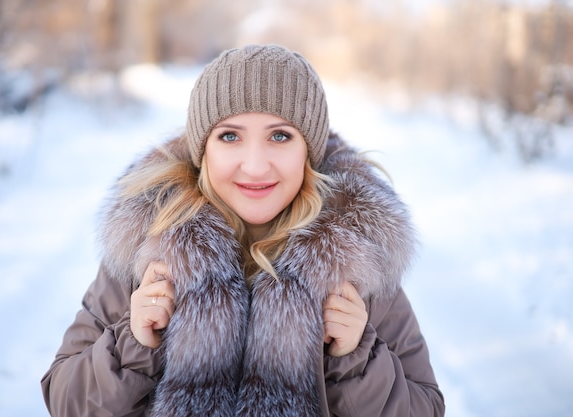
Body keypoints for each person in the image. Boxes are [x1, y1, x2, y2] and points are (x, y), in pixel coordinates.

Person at [41, 44, 445, 417]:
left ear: (309, 150)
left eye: (281, 136)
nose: (254, 166)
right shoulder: (149, 247)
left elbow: (425, 408)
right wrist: (133, 344)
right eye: (230, 136)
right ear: (203, 150)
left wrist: (357, 357)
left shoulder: (354, 260)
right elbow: (65, 400)